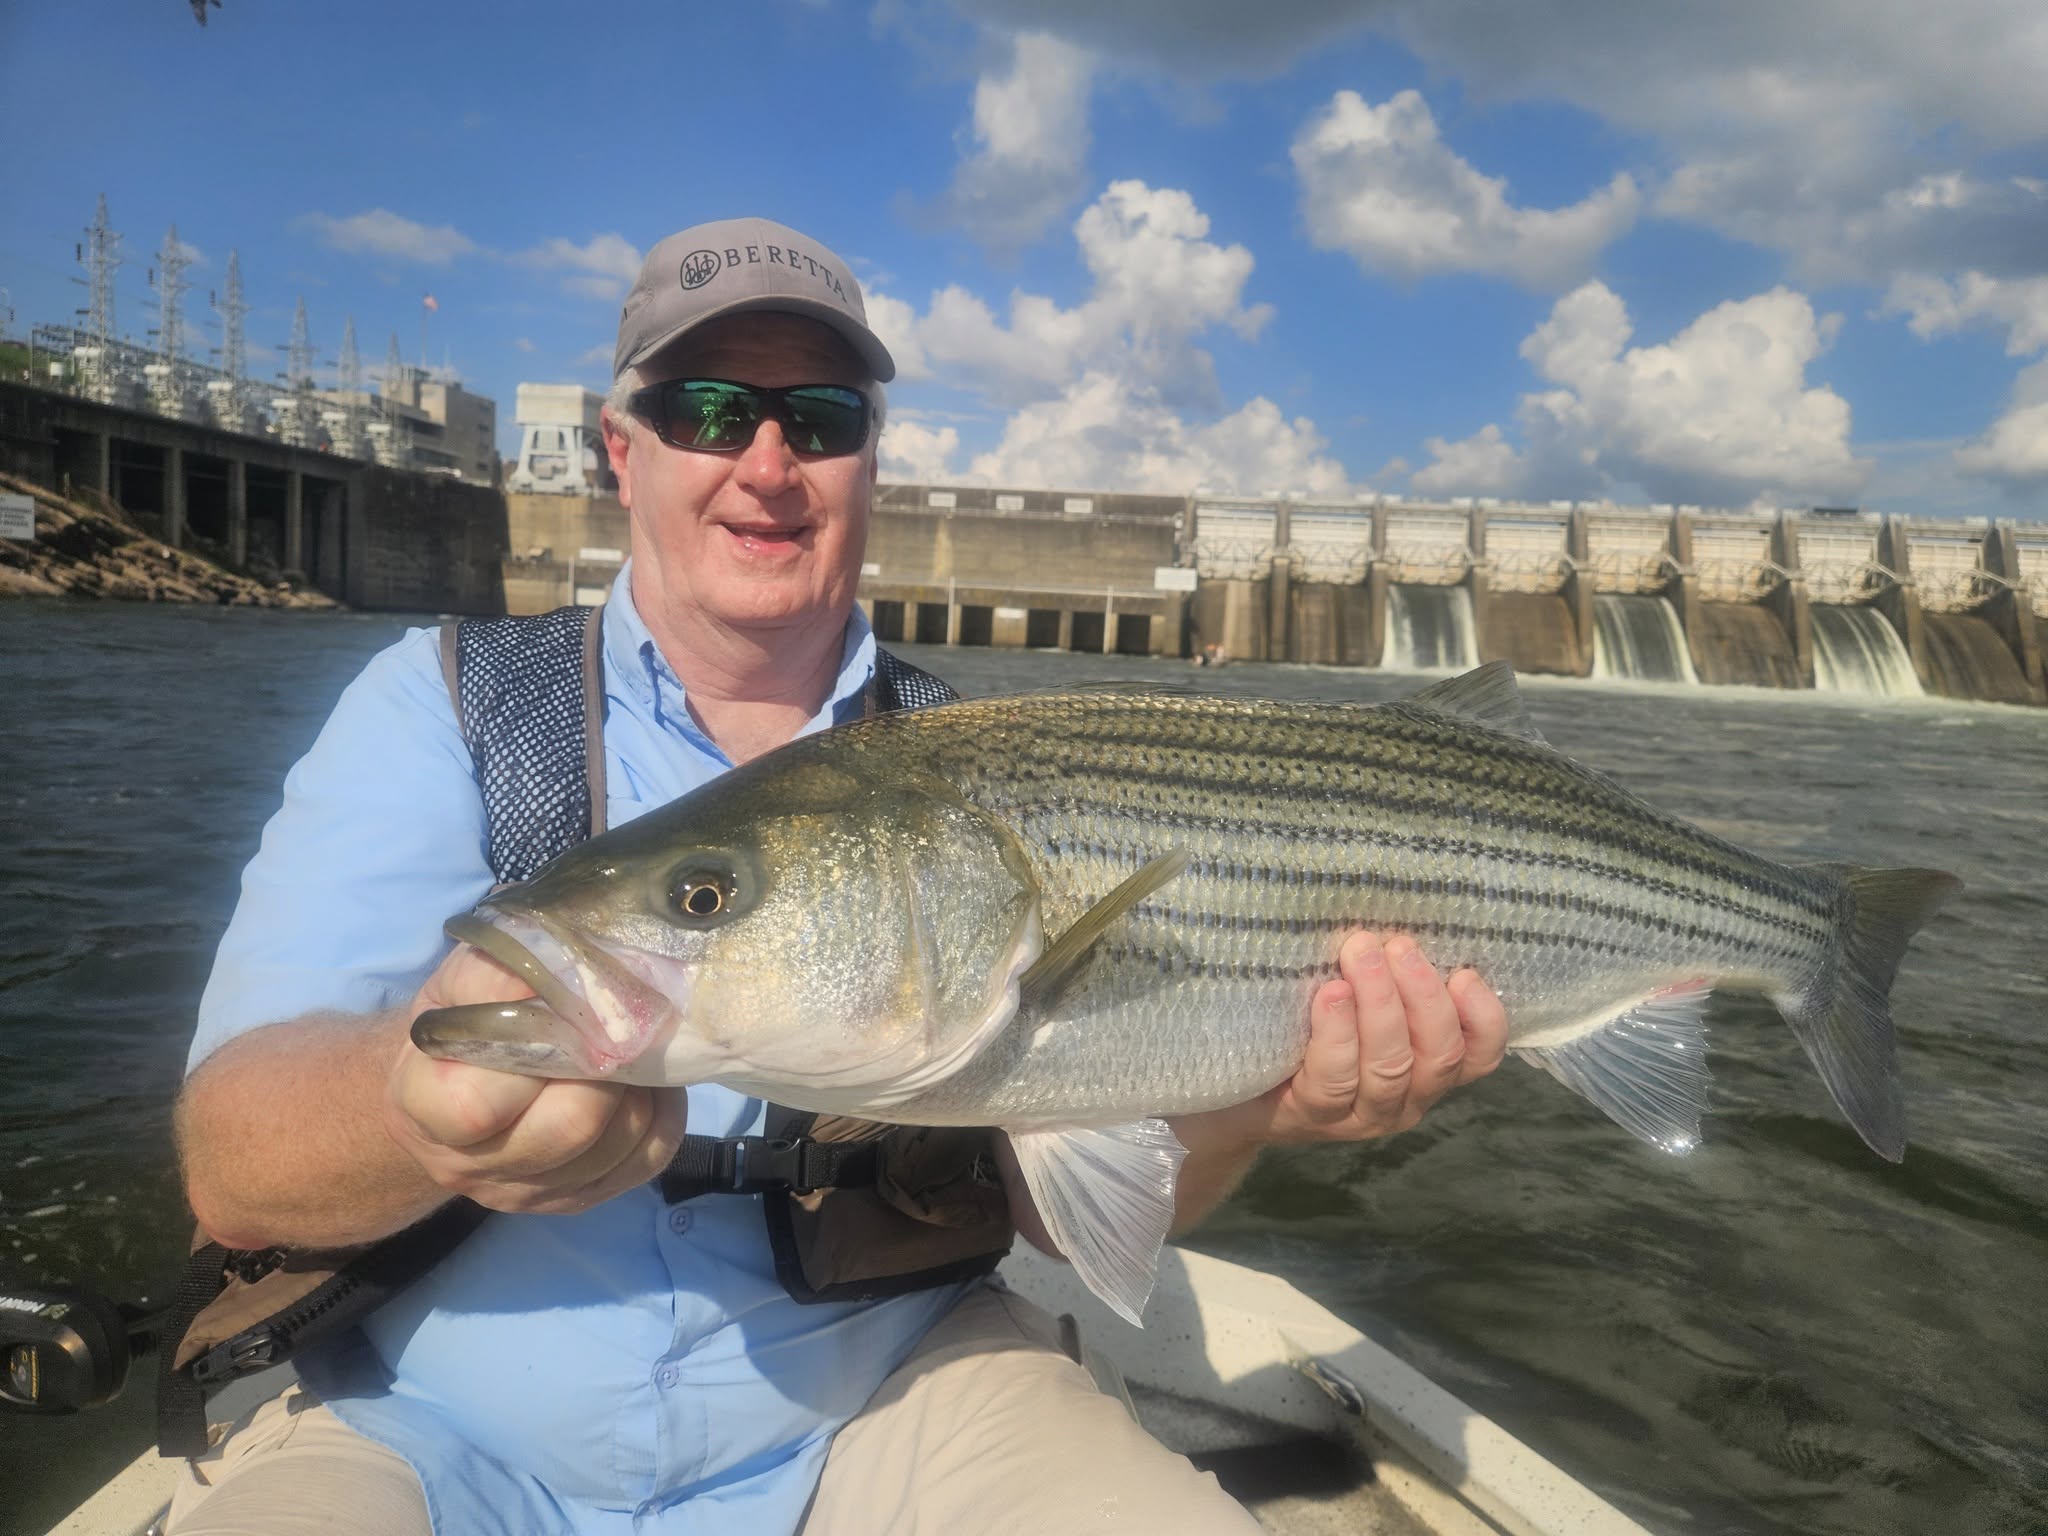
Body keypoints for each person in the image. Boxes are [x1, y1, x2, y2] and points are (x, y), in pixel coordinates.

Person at [169, 217, 1509, 1535]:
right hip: (421, 1424)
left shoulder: (986, 765)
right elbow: (233, 1169)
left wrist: (1255, 1107)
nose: (766, 465)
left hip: (895, 1394)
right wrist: (412, 1116)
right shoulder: (444, 706)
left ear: (870, 460)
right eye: (707, 410)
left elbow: (1066, 1217)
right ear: (622, 451)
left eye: (819, 419)